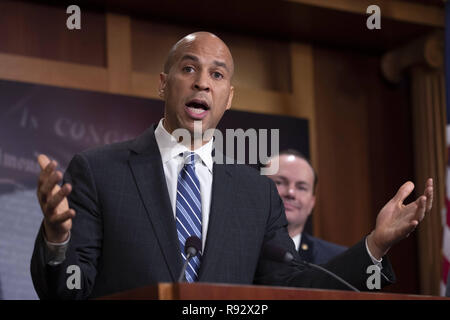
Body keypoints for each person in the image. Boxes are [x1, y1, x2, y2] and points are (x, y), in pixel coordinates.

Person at [31, 32, 433, 299]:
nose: (202, 82)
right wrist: (56, 240)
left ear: (227, 97)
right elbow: (68, 292)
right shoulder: (99, 171)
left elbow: (290, 289)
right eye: (188, 68)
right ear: (163, 83)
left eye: (217, 74)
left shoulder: (256, 193)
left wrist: (374, 245)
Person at [267, 150, 346, 265]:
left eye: (301, 187)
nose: (291, 192)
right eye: (279, 182)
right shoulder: (235, 249)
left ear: (312, 203)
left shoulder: (337, 260)